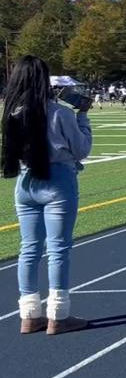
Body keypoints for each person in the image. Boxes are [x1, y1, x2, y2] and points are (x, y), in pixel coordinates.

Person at [5, 55, 92, 335]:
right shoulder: (59, 113)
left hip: (25, 183)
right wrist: (83, 117)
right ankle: (58, 314)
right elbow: (81, 150)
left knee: (28, 249)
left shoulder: (12, 112)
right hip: (58, 182)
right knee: (58, 249)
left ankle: (28, 314)